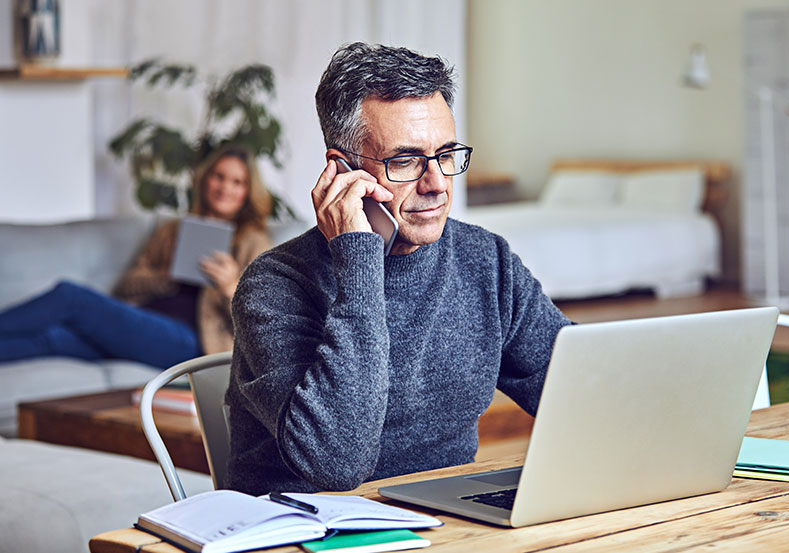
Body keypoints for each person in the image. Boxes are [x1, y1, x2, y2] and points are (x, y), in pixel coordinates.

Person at [225, 43, 573, 495]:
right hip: (305, 531)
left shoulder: (486, 261)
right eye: (405, 161)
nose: (436, 184)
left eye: (446, 154)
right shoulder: (274, 284)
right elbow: (336, 465)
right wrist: (359, 259)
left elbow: (578, 392)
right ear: (342, 171)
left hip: (449, 521)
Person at [0, 145, 272, 369]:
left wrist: (229, 288)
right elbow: (127, 285)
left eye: (237, 182)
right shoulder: (173, 230)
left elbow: (263, 325)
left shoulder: (253, 242)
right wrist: (165, 275)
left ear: (248, 192)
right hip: (143, 322)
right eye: (219, 176)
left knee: (70, 297)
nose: (225, 187)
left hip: (192, 341)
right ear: (205, 179)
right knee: (54, 339)